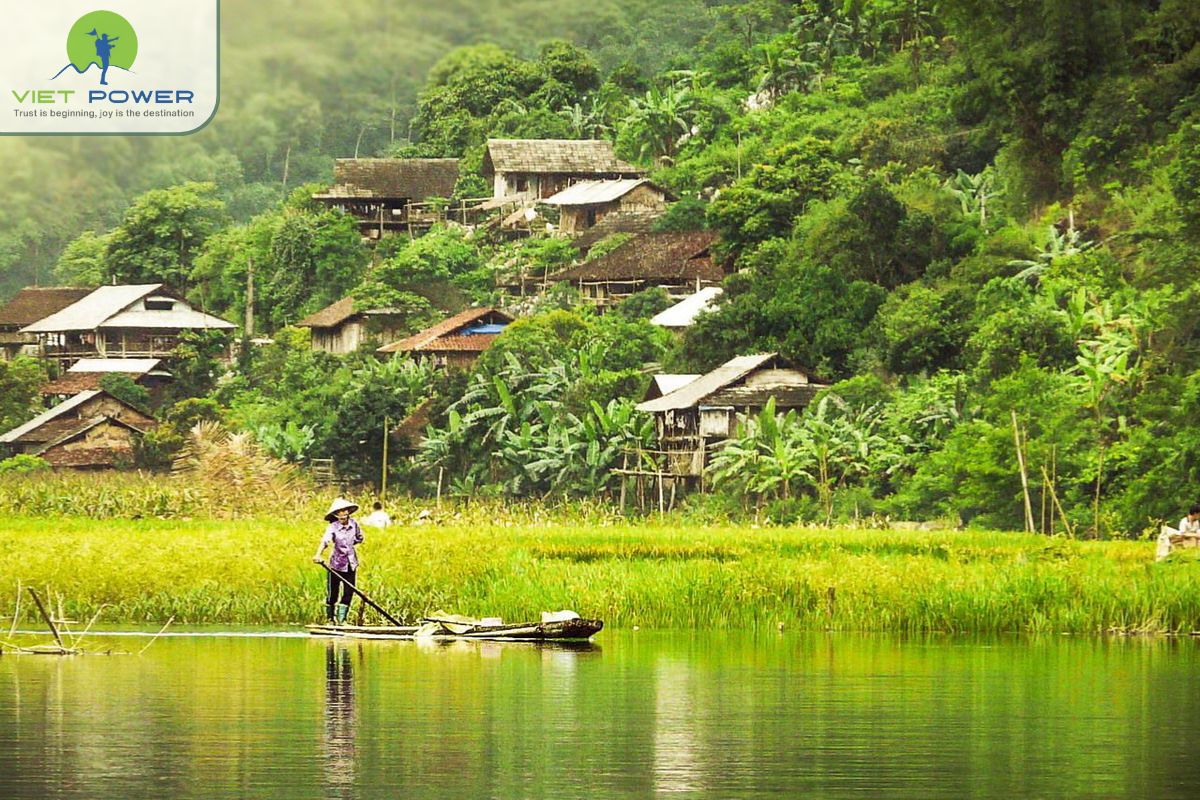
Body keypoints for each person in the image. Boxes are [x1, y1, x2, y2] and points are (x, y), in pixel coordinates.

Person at [313, 498, 364, 625]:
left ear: (348, 512)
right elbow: (325, 541)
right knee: (333, 594)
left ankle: (342, 621)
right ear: (336, 514)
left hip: (351, 564)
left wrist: (350, 545)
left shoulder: (354, 524)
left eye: (344, 511)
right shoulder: (333, 527)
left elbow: (359, 538)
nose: (342, 514)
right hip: (336, 565)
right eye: (339, 512)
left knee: (348, 592)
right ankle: (330, 619)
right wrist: (318, 554)